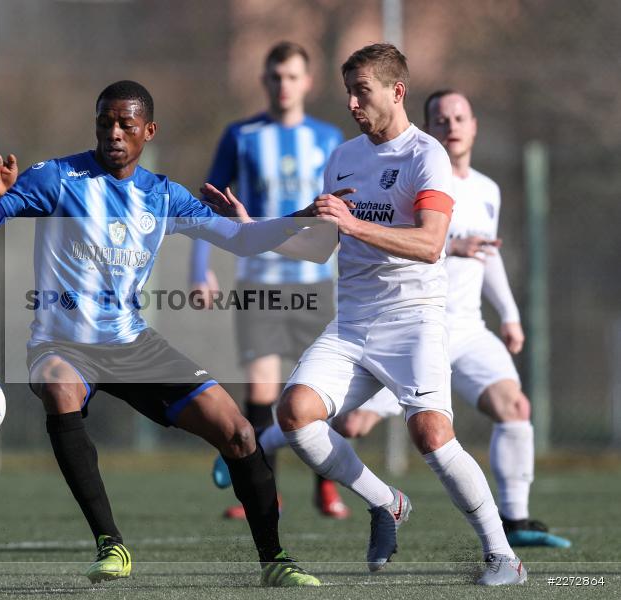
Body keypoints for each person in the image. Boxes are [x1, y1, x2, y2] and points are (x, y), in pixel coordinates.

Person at [0, 80, 323, 587]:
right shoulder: (57, 179)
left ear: (148, 130)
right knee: (59, 386)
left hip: (131, 343)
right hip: (62, 345)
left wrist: (300, 219)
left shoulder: (163, 195)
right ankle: (111, 545)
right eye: (105, 122)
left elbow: (240, 239)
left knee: (237, 432)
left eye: (127, 124)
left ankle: (275, 560)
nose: (115, 132)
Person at [201, 44, 527, 585]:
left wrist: (354, 225)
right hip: (353, 323)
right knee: (295, 414)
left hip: (415, 318)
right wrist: (253, 224)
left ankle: (503, 555)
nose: (352, 102)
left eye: (363, 91)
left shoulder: (427, 156)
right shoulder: (345, 157)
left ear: (396, 92)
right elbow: (319, 246)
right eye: (348, 90)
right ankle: (387, 503)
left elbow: (429, 244)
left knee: (430, 434)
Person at [332, 90, 570, 549]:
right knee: (350, 424)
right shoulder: (422, 168)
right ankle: (260, 439)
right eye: (442, 119)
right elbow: (419, 240)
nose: (452, 126)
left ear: (474, 124)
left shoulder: (486, 189)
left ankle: (515, 520)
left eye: (460, 117)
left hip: (468, 328)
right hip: (416, 325)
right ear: (428, 126)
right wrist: (444, 245)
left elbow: (488, 255)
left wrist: (511, 315)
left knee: (515, 408)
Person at [190, 41, 350, 520]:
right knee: (262, 391)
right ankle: (268, 492)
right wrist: (201, 269)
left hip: (316, 281)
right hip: (259, 281)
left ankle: (329, 485)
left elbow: (339, 210)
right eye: (276, 76)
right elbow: (210, 205)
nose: (284, 85)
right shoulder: (241, 135)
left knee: (320, 391)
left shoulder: (328, 138)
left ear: (308, 82)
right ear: (265, 81)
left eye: (293, 76)